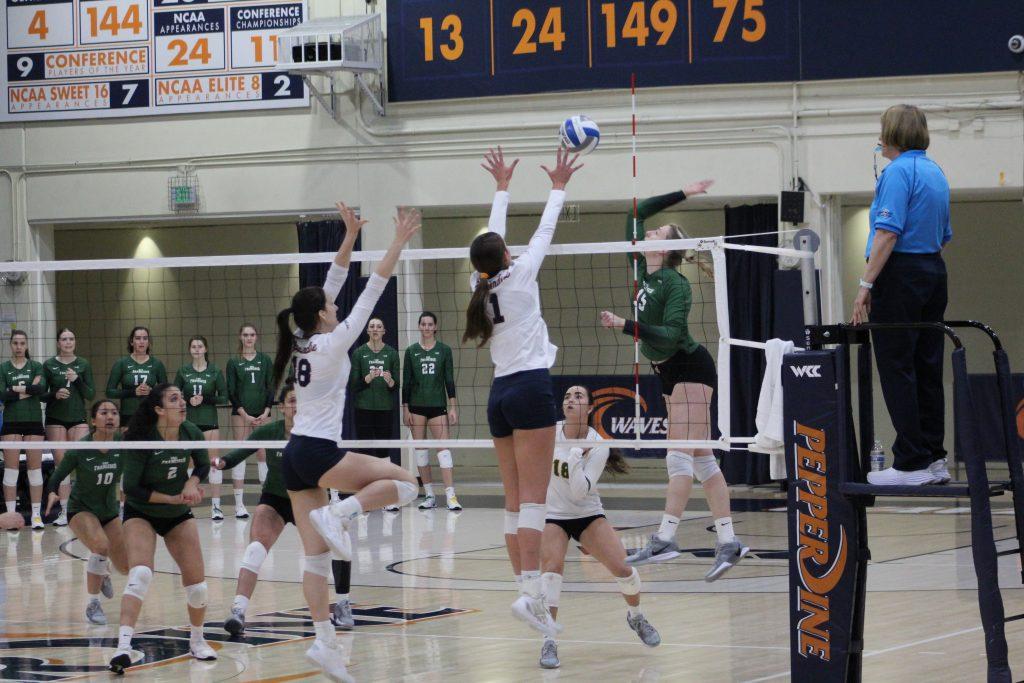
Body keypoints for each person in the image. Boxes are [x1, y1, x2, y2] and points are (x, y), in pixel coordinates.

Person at [271, 201, 420, 681]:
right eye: (331, 308)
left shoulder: (300, 337)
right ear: (321, 316)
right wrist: (397, 241)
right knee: (407, 483)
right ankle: (341, 511)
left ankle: (324, 642)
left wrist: (351, 234)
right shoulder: (334, 341)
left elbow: (330, 283)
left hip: (294, 456)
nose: (336, 307)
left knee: (315, 557)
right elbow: (372, 289)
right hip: (318, 452)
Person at [599, 179, 749, 581]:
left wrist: (624, 325)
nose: (648, 232)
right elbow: (635, 212)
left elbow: (668, 334)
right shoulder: (642, 271)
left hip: (690, 368)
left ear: (663, 249)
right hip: (668, 373)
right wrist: (685, 191)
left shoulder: (676, 285)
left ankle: (665, 537)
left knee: (678, 454)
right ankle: (729, 540)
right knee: (701, 459)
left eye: (656, 233)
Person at [465, 145, 580, 636]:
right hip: (531, 388)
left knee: (514, 500)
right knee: (535, 501)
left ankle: (524, 591)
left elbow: (491, 242)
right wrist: (558, 185)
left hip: (499, 396)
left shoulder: (480, 283)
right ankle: (531, 592)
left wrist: (501, 189)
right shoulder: (522, 271)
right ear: (506, 255)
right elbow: (544, 231)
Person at [852, 104, 953, 487]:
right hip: (933, 271)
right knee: (928, 367)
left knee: (897, 367)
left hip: (902, 273)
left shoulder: (897, 172)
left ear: (889, 133)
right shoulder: (936, 171)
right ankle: (934, 457)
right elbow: (943, 236)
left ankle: (911, 463)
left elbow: (887, 233)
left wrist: (866, 285)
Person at [218, 382, 356, 634]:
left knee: (339, 544)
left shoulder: (319, 433)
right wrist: (220, 462)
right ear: (282, 407)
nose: (297, 406)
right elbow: (239, 452)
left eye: (301, 401)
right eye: (292, 401)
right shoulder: (270, 432)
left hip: (310, 498)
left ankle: (343, 604)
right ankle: (238, 611)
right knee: (256, 547)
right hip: (276, 498)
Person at [538, 385, 661, 669]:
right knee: (552, 569)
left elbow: (580, 492)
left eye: (578, 396)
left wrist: (574, 456)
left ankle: (636, 616)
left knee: (624, 569)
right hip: (553, 515)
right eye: (567, 396)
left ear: (591, 408)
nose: (571, 400)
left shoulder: (599, 444)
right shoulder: (549, 433)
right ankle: (548, 639)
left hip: (587, 513)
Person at [109, 383, 215, 673]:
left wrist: (191, 483)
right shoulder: (141, 438)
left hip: (177, 513)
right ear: (158, 409)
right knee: (141, 573)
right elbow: (131, 488)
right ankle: (123, 647)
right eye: (174, 399)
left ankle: (197, 641)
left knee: (198, 588)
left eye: (182, 398)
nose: (182, 403)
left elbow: (203, 466)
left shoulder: (190, 431)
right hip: (142, 511)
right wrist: (169, 497)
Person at [44, 400, 126, 624]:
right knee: (100, 546)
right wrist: (52, 492)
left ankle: (104, 571)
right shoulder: (82, 447)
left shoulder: (124, 444)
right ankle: (93, 604)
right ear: (93, 420)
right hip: (81, 509)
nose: (110, 417)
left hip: (109, 510)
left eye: (114, 413)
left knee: (126, 565)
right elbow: (57, 476)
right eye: (104, 413)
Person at [403, 312, 460, 510]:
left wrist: (453, 407)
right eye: (423, 324)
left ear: (435, 327)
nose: (427, 327)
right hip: (416, 407)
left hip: (438, 407)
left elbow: (449, 380)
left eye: (430, 324)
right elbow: (407, 383)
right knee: (421, 453)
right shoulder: (411, 352)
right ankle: (429, 495)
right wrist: (405, 409)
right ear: (419, 327)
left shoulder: (444, 350)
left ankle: (451, 496)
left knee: (444, 452)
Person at [175, 336, 233, 519]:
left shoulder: (215, 371)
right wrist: (186, 400)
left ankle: (216, 506)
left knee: (213, 463)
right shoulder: (183, 371)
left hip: (210, 423)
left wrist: (205, 399)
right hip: (188, 425)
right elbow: (173, 395)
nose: (197, 349)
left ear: (205, 349)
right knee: (189, 465)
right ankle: (188, 504)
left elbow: (224, 397)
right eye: (193, 346)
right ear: (190, 349)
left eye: (200, 346)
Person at [43, 328, 95, 526]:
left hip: (78, 419)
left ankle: (83, 507)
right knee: (62, 465)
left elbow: (90, 394)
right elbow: (41, 395)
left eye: (71, 339)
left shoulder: (83, 364)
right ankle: (65, 511)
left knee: (84, 462)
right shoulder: (49, 365)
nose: (68, 342)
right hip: (55, 419)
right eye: (64, 339)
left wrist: (77, 380)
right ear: (58, 343)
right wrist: (54, 394)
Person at [1, 330, 48, 529]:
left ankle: (36, 515)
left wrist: (15, 390)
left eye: (22, 343)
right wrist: (28, 388)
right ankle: (11, 516)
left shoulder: (36, 366)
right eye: (15, 343)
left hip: (33, 421)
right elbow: (2, 395)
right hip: (11, 421)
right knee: (11, 471)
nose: (19, 347)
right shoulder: (3, 368)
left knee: (34, 469)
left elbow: (40, 389)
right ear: (10, 345)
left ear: (27, 345)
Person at [227, 324, 274, 486]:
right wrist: (245, 415)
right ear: (240, 337)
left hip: (263, 413)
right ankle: (240, 505)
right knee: (239, 452)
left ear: (256, 337)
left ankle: (266, 495)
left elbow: (271, 387)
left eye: (252, 335)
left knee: (263, 454)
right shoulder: (233, 361)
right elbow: (231, 392)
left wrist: (267, 411)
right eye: (246, 335)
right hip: (241, 414)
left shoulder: (265, 359)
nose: (249, 338)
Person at [349, 317, 401, 466]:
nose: (375, 329)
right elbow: (353, 386)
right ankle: (366, 483)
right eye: (372, 326)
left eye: (379, 326)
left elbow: (396, 386)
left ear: (384, 331)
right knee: (364, 449)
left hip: (384, 408)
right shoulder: (359, 353)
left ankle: (384, 483)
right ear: (367, 331)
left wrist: (390, 381)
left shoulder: (392, 353)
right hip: (363, 408)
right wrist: (367, 379)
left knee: (383, 449)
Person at [105, 326, 167, 426]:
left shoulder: (157, 364)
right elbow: (109, 392)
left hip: (150, 414)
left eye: (145, 338)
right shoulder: (121, 363)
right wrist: (133, 392)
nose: (142, 341)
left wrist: (151, 391)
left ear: (148, 342)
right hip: (128, 415)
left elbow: (165, 391)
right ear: (131, 342)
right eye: (138, 338)